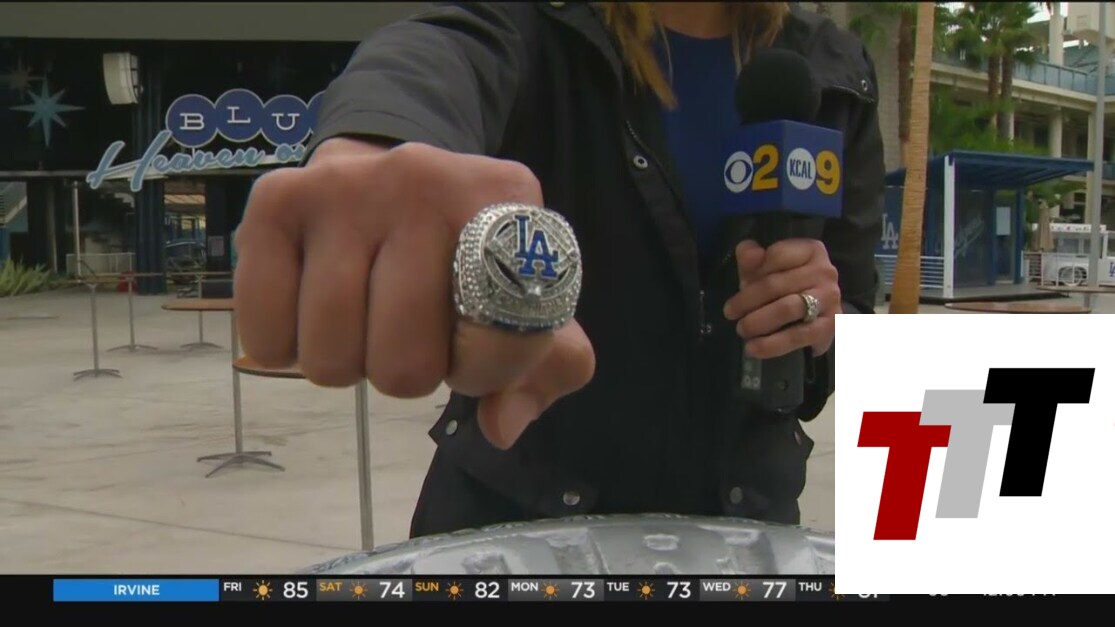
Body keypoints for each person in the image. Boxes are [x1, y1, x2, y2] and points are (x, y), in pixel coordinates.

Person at [233, 1, 884, 538]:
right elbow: (433, 55)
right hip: (517, 524)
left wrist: (818, 323)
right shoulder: (540, 23)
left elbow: (850, 318)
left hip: (744, 533)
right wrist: (375, 142)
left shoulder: (834, 68)